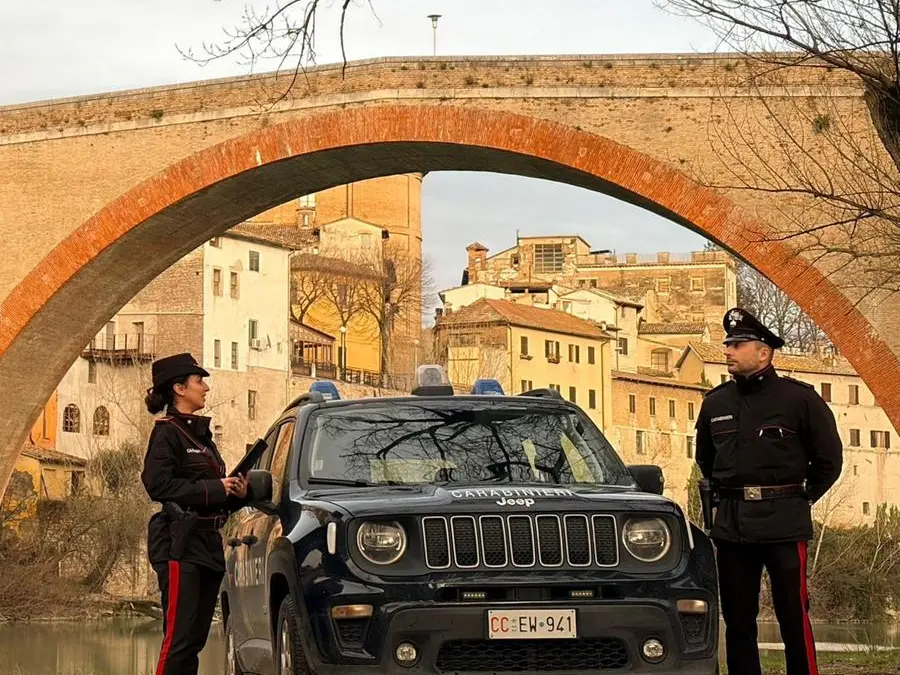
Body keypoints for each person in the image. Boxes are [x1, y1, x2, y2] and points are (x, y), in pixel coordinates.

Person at [695, 308, 843, 675]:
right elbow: (706, 461)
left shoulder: (799, 400)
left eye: (737, 345)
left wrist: (797, 499)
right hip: (733, 526)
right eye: (727, 344)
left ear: (763, 352)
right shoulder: (715, 403)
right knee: (738, 619)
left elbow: (829, 462)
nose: (727, 350)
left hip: (784, 524)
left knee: (793, 615)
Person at [141, 353, 252, 675]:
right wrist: (216, 487)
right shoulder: (167, 432)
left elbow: (212, 494)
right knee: (179, 639)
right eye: (199, 381)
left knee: (195, 641)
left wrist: (236, 494)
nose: (205, 388)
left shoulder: (202, 437)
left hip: (208, 544)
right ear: (179, 388)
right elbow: (157, 485)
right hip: (179, 542)